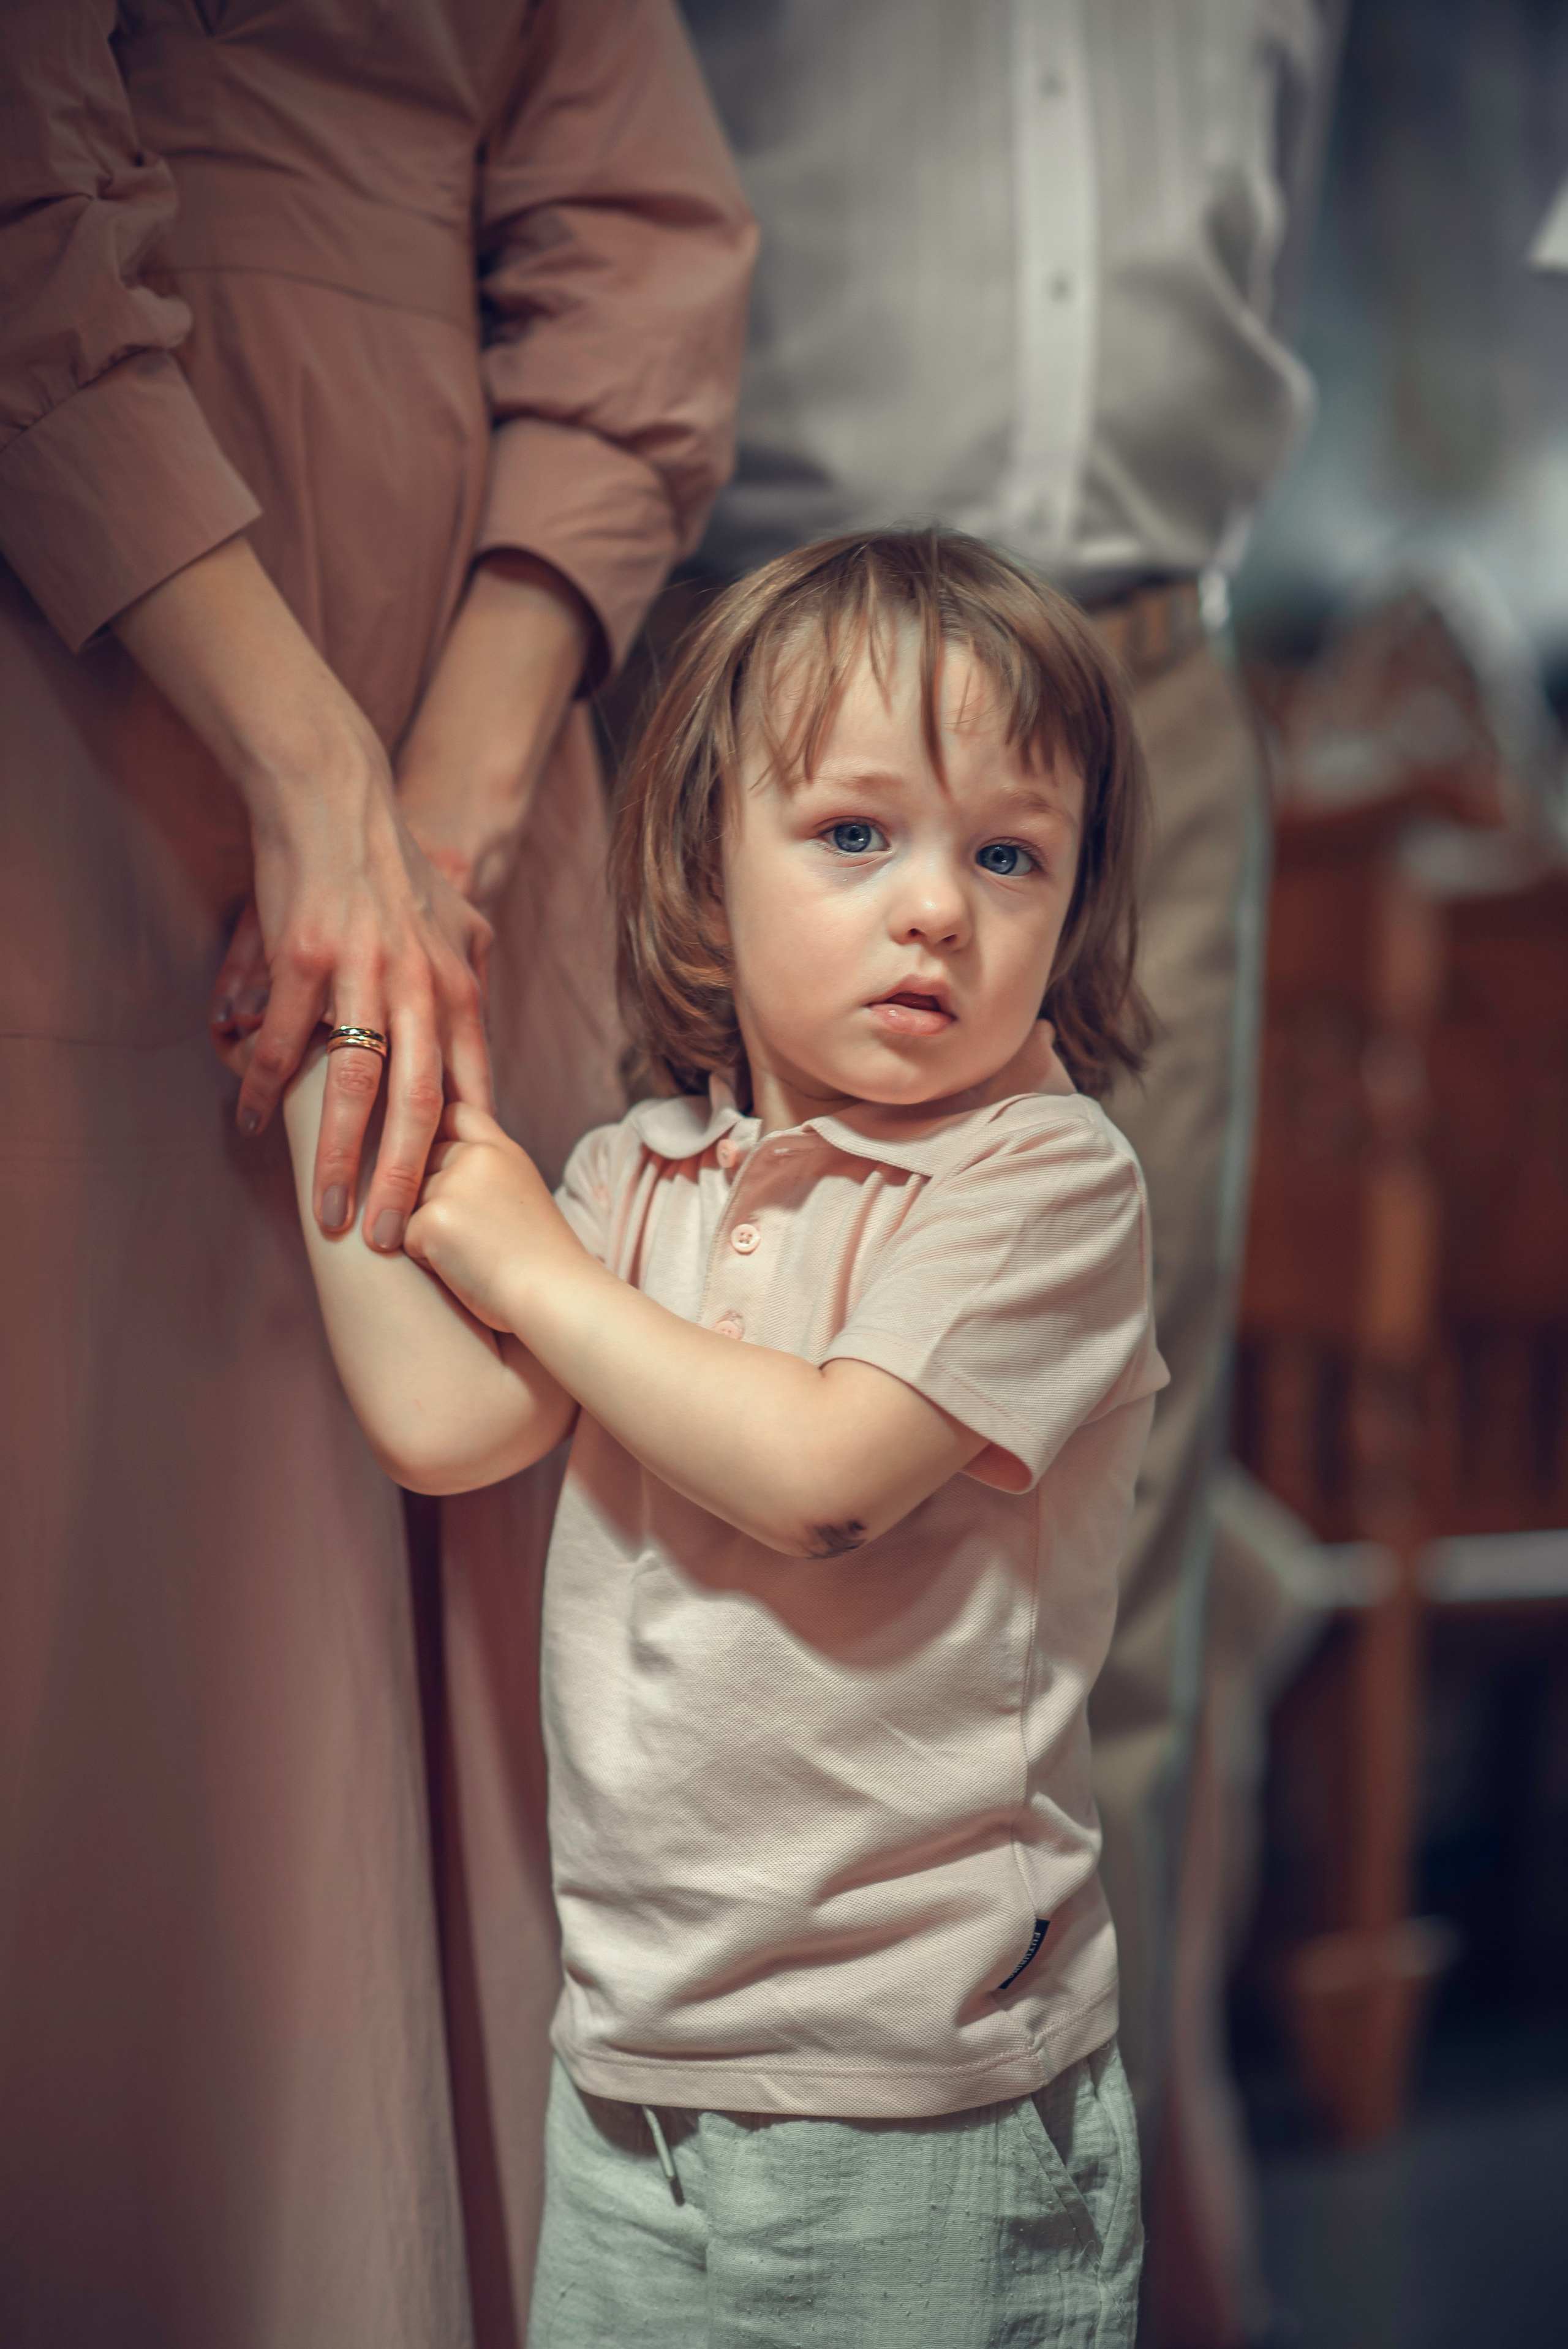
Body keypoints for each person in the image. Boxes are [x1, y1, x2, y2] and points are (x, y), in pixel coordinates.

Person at [0, 5, 752, 2342]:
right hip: (78, 639)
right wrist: (295, 763)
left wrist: (441, 793)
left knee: (494, 1572)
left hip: (472, 709)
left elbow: (642, 241)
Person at [265, 528, 1166, 2347]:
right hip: (633, 2081)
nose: (937, 907)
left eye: (1009, 854)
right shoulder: (634, 1172)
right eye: (855, 834)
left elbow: (819, 1474)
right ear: (704, 864)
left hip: (925, 2115)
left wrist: (527, 1256)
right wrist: (332, 1055)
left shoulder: (1047, 1181)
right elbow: (449, 1418)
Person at [656, 0, 1343, 2177]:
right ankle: (698, 2147)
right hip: (767, 670)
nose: (949, 923)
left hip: (1153, 665)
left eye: (1001, 886)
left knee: (1110, 1523)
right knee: (691, 1504)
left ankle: (1114, 2167)